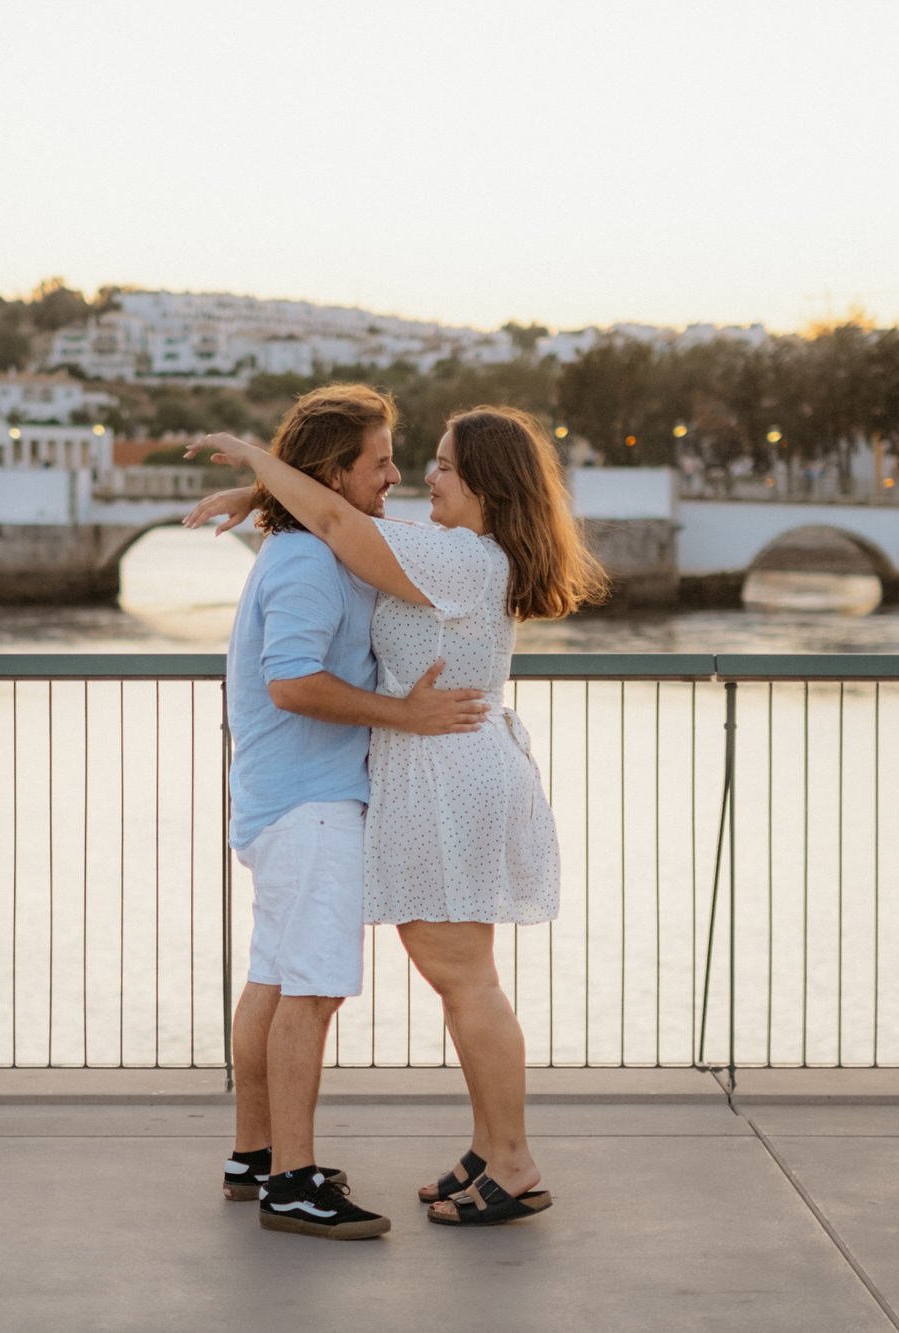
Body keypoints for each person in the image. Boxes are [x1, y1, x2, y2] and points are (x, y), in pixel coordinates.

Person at [190, 406, 608, 1227]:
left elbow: (340, 515)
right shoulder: (450, 552)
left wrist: (254, 462)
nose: (424, 477)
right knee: (459, 980)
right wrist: (262, 490)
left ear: (485, 483)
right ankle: (488, 1150)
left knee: (466, 980)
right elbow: (338, 516)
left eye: (445, 465)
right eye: (414, 461)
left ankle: (512, 1159)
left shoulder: (456, 559)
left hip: (448, 773)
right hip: (435, 772)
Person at [214, 384, 488, 1241]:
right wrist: (406, 715)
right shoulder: (303, 561)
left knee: (273, 978)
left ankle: (254, 1157)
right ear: (336, 472)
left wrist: (257, 488)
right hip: (311, 805)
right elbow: (292, 681)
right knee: (315, 989)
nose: (395, 476)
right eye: (379, 462)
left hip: (284, 800)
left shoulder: (310, 545)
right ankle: (293, 1183)